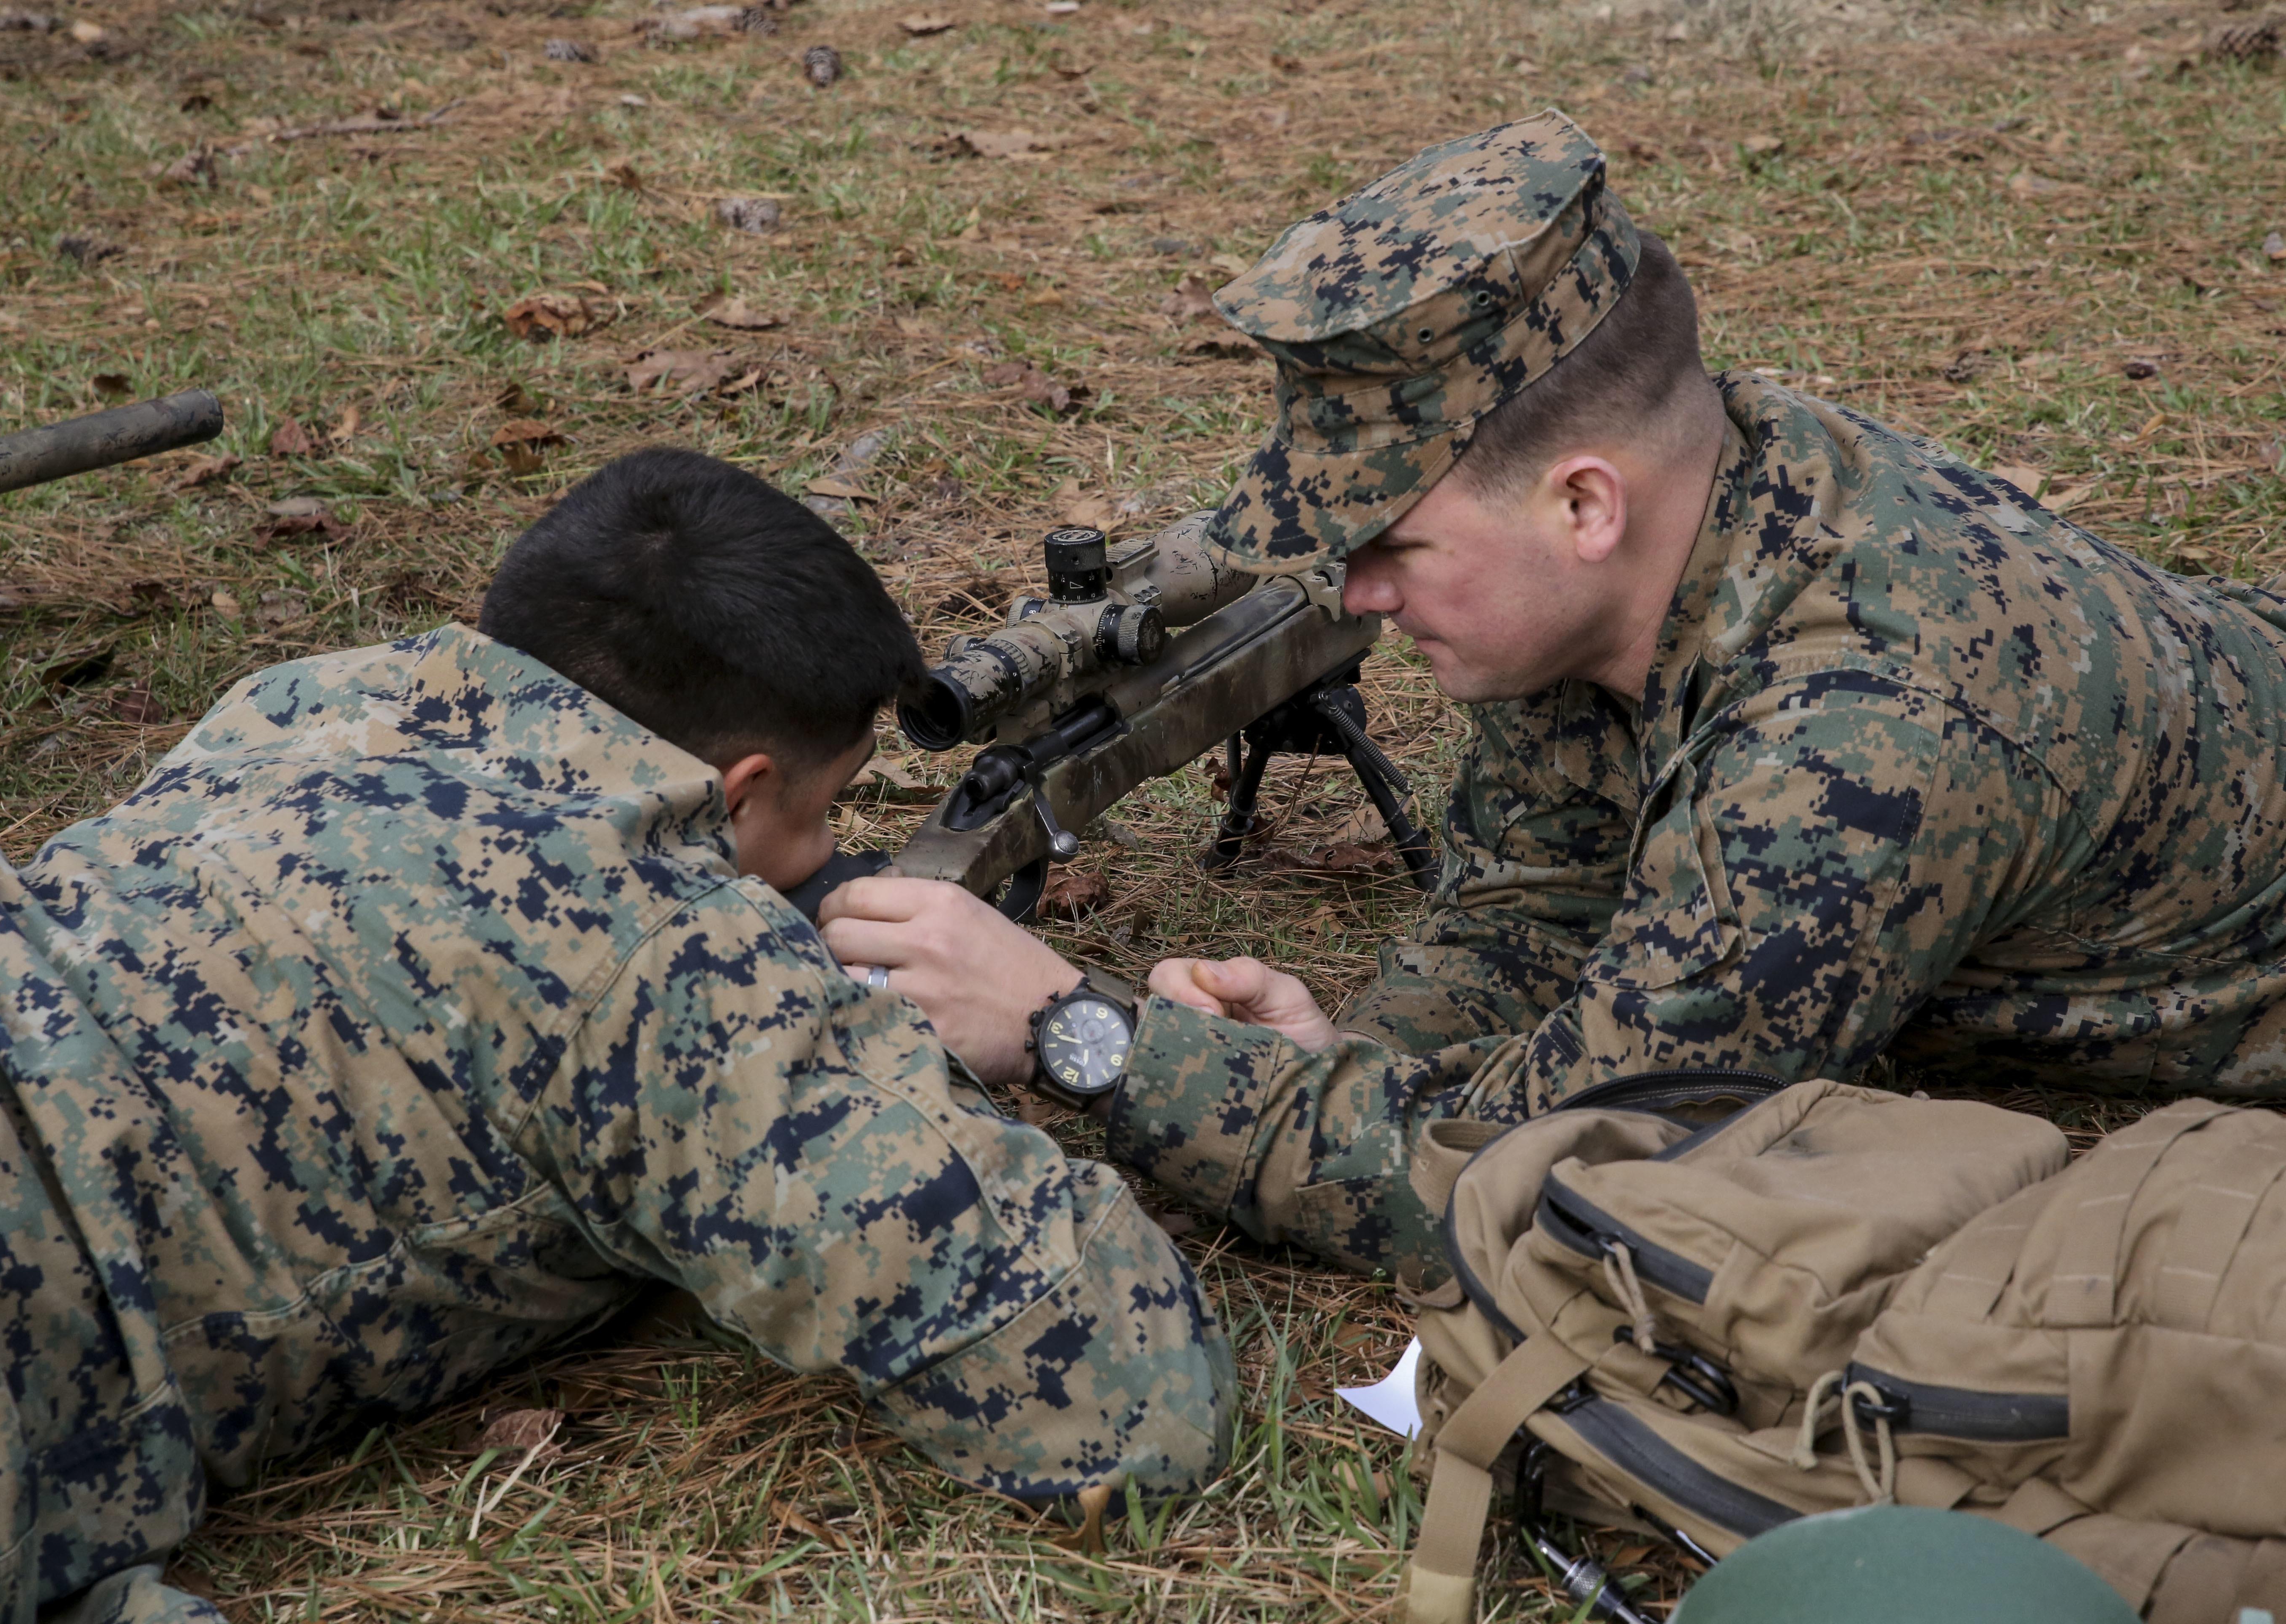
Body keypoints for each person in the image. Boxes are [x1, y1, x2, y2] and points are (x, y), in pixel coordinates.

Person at [817, 109, 2286, 1286]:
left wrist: (1096, 1037)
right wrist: (1349, 1060)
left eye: (1391, 548)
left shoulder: (1860, 746)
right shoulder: (1671, 526)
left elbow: (1560, 1182)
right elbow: (1536, 901)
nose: (1360, 598)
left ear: (1586, 503)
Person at [0, 449, 1233, 1623]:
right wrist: (1065, 1027)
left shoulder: (301, 701)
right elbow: (1130, 1412)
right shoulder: (667, 959)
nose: (818, 852)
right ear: (744, 790)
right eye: (824, 812)